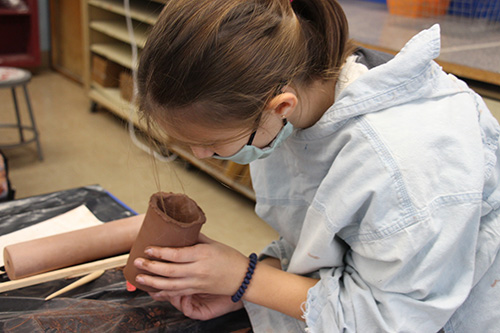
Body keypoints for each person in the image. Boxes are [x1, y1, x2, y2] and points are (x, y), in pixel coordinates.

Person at [132, 0, 500, 331]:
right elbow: (324, 240)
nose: (200, 155)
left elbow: (391, 320)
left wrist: (244, 277)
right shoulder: (292, 115)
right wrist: (243, 287)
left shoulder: (401, 163)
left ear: (280, 107)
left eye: (211, 143)